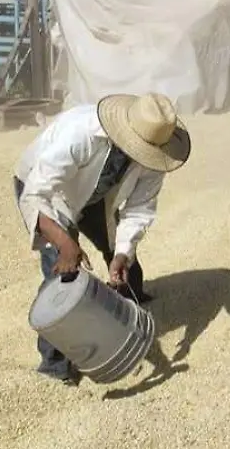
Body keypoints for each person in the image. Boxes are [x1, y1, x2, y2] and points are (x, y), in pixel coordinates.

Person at [13, 92, 191, 384]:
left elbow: (138, 209)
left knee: (123, 258)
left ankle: (131, 303)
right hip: (48, 194)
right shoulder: (79, 135)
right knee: (62, 273)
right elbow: (35, 194)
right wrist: (65, 243)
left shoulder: (156, 156)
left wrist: (121, 253)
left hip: (97, 194)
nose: (143, 154)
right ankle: (54, 366)